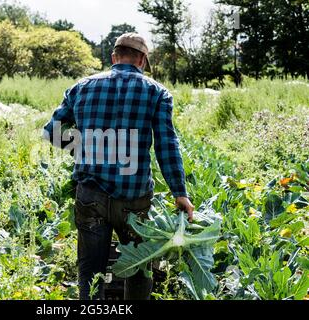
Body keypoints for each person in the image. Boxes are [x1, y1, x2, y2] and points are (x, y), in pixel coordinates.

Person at [42, 33, 194, 300]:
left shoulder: (81, 87)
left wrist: (83, 149)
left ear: (114, 57)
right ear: (143, 60)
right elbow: (166, 146)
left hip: (90, 196)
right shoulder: (156, 93)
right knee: (137, 268)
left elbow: (52, 131)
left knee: (91, 271)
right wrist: (179, 193)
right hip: (133, 200)